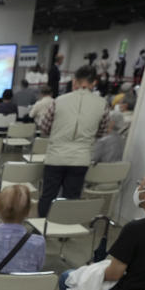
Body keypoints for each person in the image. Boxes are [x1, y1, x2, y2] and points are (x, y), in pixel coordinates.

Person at [36, 65, 111, 217]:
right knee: (71, 197)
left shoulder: (59, 100)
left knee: (48, 196)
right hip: (81, 158)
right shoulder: (102, 104)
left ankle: (41, 228)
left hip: (56, 156)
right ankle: (65, 231)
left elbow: (44, 127)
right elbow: (102, 131)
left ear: (75, 81)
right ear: (94, 82)